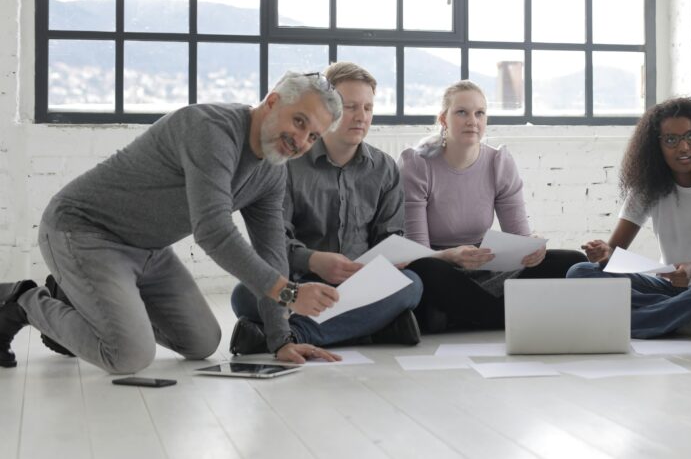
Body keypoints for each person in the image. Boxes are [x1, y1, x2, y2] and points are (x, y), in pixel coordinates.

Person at [0, 72, 345, 372]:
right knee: (128, 356)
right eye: (299, 121)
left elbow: (272, 253)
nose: (301, 141)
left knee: (202, 342)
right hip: (83, 232)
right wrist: (288, 292)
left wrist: (281, 339)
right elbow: (213, 231)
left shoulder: (272, 172)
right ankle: (24, 301)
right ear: (272, 102)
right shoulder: (212, 130)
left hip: (147, 250)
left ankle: (75, 300)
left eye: (313, 136)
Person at [228, 62, 423, 354]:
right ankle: (371, 329)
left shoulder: (385, 169)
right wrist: (313, 260)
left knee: (411, 285)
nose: (362, 117)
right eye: (351, 107)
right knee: (244, 295)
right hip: (300, 280)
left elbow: (390, 238)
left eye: (368, 108)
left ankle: (295, 334)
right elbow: (272, 239)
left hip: (360, 285)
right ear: (328, 110)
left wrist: (384, 262)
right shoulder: (288, 163)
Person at [399, 80, 586, 332]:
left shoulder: (498, 162)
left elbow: (519, 239)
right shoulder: (417, 164)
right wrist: (451, 256)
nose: (472, 121)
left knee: (573, 261)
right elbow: (417, 251)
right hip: (441, 265)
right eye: (461, 112)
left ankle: (461, 317)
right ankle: (511, 316)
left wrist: (533, 245)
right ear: (443, 119)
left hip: (486, 267)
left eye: (480, 113)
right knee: (423, 269)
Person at [567, 97, 691, 339]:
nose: (684, 147)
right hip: (668, 289)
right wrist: (603, 253)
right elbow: (613, 253)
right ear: (657, 146)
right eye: (671, 140)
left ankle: (635, 323)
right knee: (580, 272)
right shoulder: (647, 186)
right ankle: (688, 320)